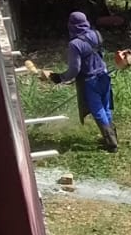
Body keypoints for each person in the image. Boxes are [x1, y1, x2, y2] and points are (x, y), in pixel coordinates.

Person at [49, 11, 117, 152]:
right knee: (106, 106)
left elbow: (75, 69)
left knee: (97, 110)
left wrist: (60, 77)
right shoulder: (96, 34)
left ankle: (111, 142)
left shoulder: (75, 44)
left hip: (90, 80)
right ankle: (113, 136)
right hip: (104, 74)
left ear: (71, 25)